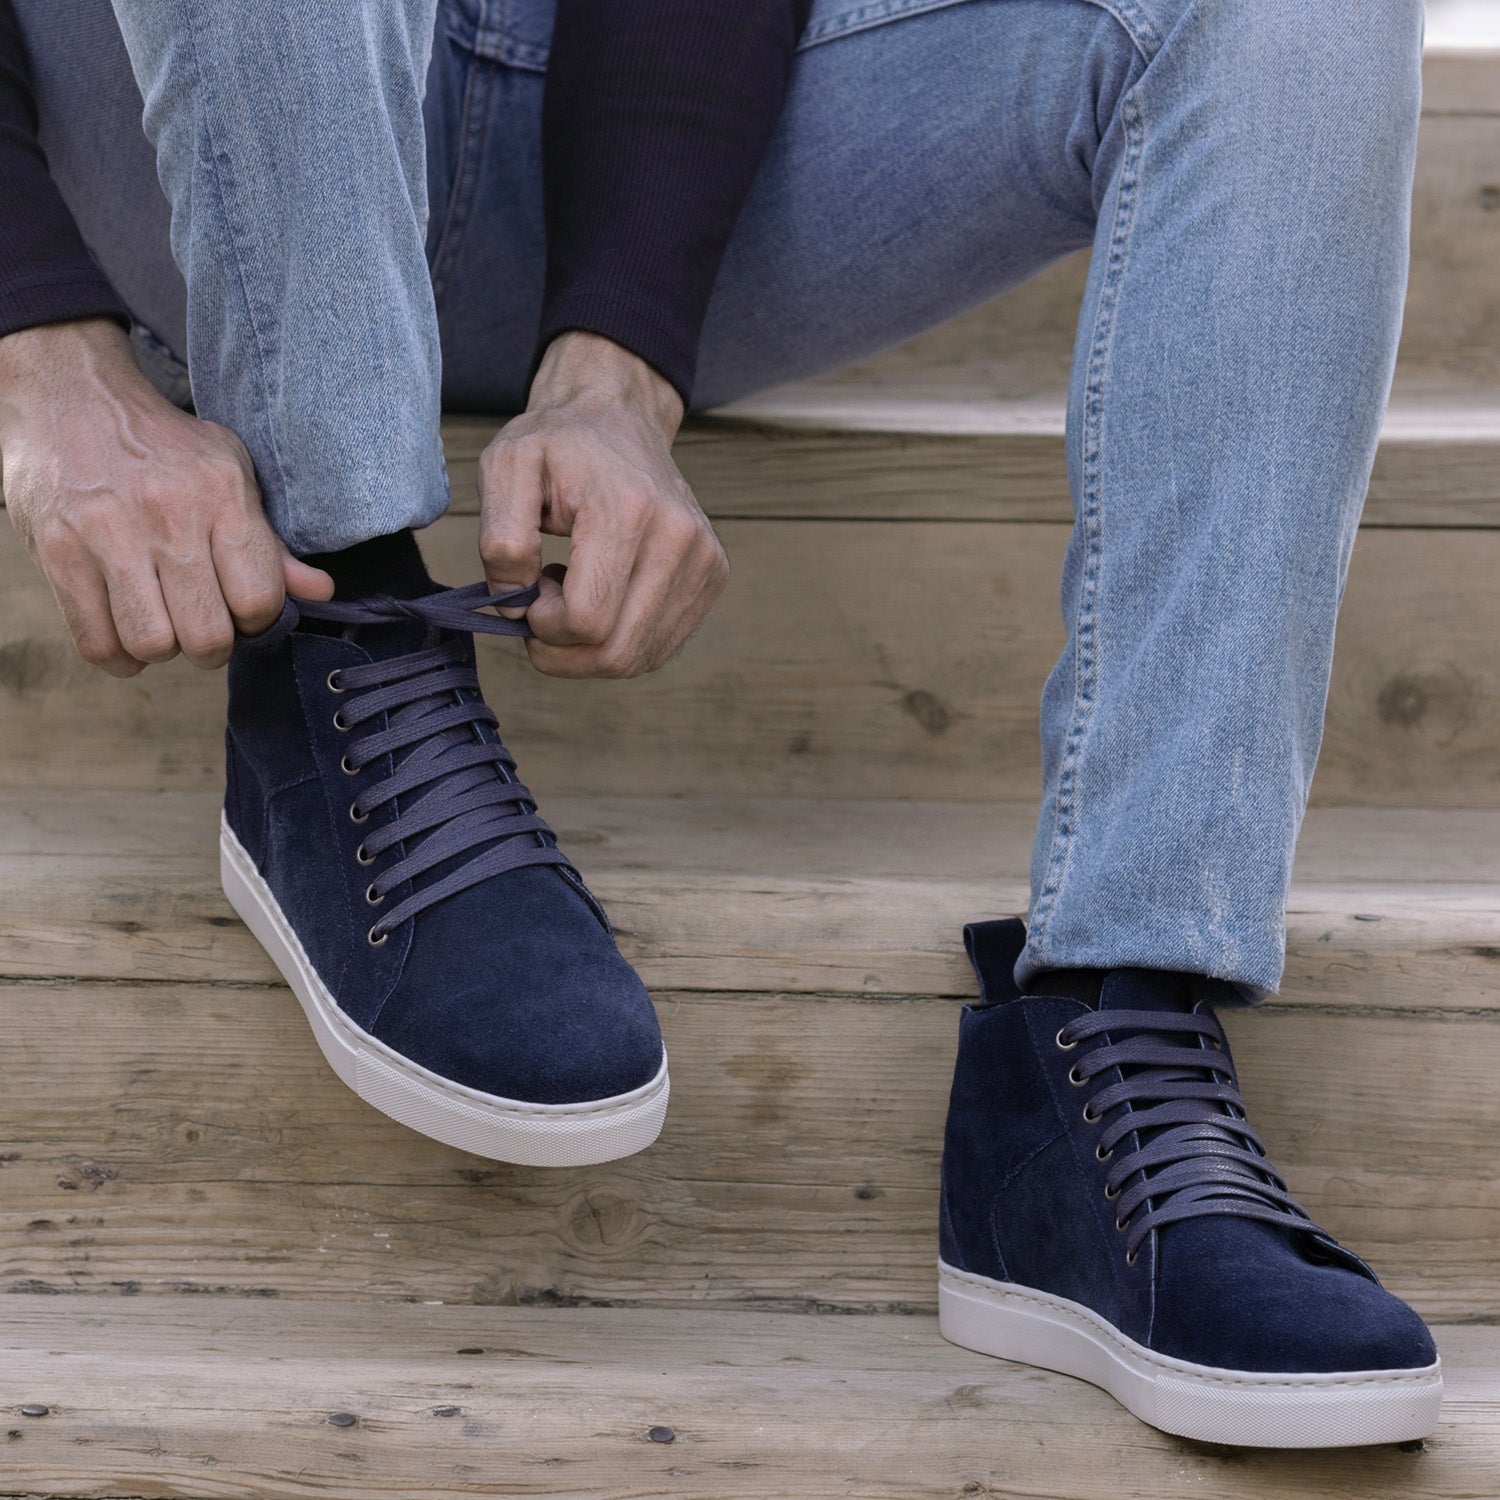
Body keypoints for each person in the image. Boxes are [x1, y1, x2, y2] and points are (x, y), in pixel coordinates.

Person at [0, 0, 1441, 1449]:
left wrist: (619, 363)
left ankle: (1117, 1036)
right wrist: (40, 347)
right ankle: (349, 645)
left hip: (626, 147)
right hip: (185, 134)